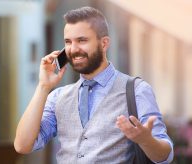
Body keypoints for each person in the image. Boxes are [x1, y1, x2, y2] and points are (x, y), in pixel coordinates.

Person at [14, 6, 174, 163]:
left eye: (82, 40)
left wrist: (145, 140)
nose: (73, 49)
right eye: (68, 42)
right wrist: (43, 87)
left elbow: (165, 156)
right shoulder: (58, 96)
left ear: (104, 43)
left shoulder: (137, 90)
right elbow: (23, 145)